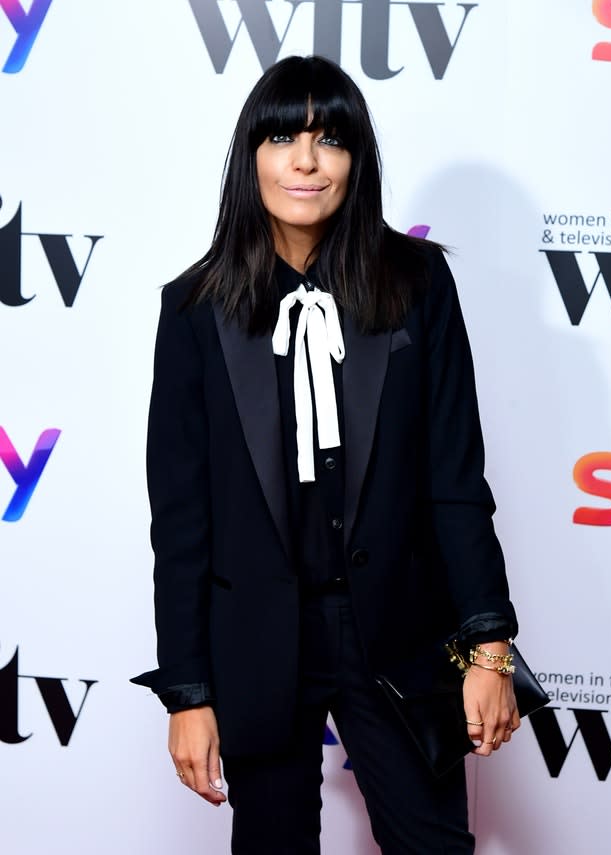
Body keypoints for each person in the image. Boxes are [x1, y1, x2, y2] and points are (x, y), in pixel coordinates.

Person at [132, 55, 519, 854]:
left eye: (330, 139)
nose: (306, 160)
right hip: (258, 634)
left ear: (357, 161)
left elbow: (455, 479)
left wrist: (490, 647)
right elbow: (181, 520)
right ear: (252, 158)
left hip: (397, 628)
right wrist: (187, 693)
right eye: (282, 137)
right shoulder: (195, 309)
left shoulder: (418, 285)